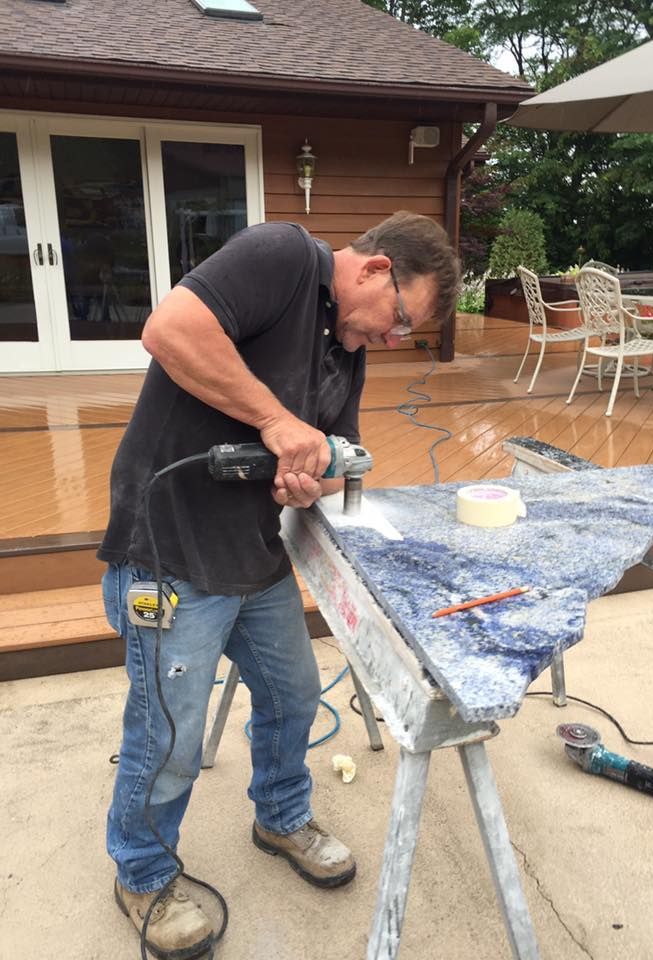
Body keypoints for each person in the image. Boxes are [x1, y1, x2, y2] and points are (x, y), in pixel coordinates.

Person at [99, 211, 460, 959]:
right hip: (169, 554)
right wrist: (274, 422)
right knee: (168, 733)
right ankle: (141, 874)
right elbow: (169, 330)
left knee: (294, 694)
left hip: (252, 557)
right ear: (374, 269)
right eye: (399, 318)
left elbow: (331, 456)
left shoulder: (345, 346)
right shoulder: (283, 257)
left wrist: (309, 482)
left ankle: (281, 816)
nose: (393, 339)